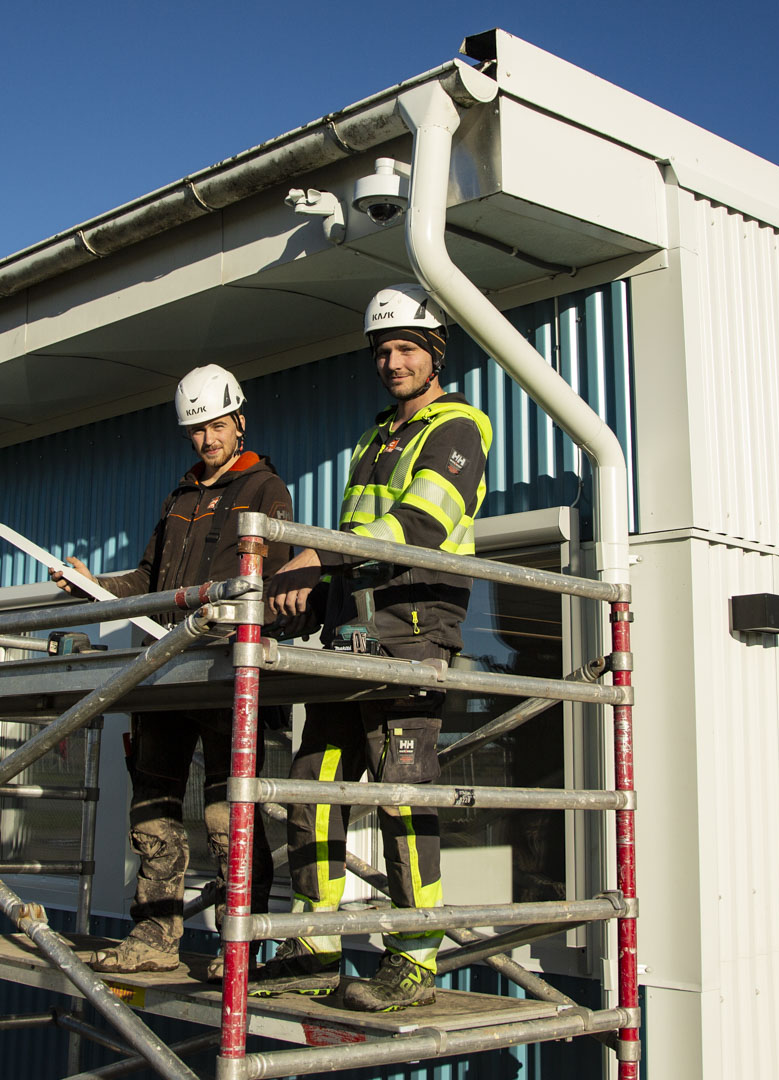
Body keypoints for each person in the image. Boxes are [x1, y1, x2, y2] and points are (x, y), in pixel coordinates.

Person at [253, 283, 491, 1012]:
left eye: (407, 349)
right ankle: (314, 946)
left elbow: (420, 525)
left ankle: (414, 957)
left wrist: (315, 555)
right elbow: (354, 547)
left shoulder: (458, 427)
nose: (392, 362)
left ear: (435, 354)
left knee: (401, 793)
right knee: (313, 786)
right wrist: (307, 594)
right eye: (383, 351)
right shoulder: (374, 437)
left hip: (413, 632)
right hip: (350, 633)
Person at [50, 363, 292, 977]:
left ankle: (239, 948)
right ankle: (154, 938)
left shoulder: (265, 490)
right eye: (196, 430)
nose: (206, 440)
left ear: (239, 422)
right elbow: (147, 580)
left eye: (216, 426)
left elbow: (273, 582)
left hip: (224, 674)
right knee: (152, 813)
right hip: (162, 674)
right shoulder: (179, 497)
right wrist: (93, 585)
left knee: (228, 818)